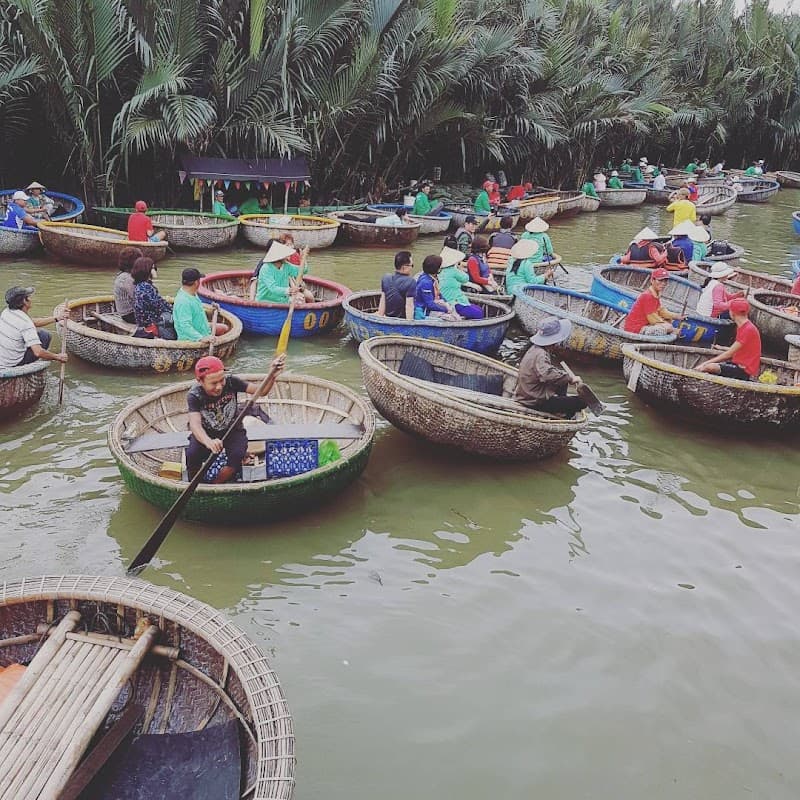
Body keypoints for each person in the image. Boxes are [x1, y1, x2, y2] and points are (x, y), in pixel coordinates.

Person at [186, 353, 285, 483]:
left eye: (221, 380)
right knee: (192, 455)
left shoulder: (232, 382)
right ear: (200, 381)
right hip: (207, 432)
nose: (219, 386)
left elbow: (262, 391)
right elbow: (195, 424)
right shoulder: (194, 395)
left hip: (232, 428)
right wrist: (208, 442)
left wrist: (272, 375)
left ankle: (215, 486)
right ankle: (195, 484)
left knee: (237, 455)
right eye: (213, 383)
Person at [512, 317, 587, 417]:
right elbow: (546, 374)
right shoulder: (540, 355)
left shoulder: (534, 348)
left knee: (562, 381)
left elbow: (549, 373)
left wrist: (565, 378)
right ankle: (563, 416)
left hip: (527, 394)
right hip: (534, 401)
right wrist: (570, 378)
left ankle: (560, 410)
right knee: (581, 402)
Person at [0, 286, 68, 369]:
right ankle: (23, 367)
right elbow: (38, 352)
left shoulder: (6, 312)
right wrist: (58, 357)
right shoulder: (25, 323)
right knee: (45, 336)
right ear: (24, 301)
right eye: (29, 297)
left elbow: (33, 322)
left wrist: (57, 318)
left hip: (3, 359)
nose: (31, 299)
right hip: (12, 364)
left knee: (41, 334)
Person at [696, 298, 761, 380]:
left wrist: (705, 363)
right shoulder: (743, 326)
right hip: (737, 364)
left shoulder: (748, 329)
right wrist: (721, 348)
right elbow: (739, 348)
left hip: (744, 370)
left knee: (709, 367)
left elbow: (729, 354)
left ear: (732, 313)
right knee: (712, 365)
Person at [173, 268, 230, 342]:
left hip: (202, 328)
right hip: (190, 338)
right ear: (196, 282)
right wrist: (201, 338)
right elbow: (185, 326)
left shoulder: (192, 293)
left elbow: (198, 310)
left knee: (224, 328)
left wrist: (213, 309)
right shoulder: (183, 301)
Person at [623, 268, 683, 335]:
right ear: (652, 280)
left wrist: (677, 316)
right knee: (668, 326)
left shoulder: (655, 295)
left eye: (665, 281)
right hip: (635, 329)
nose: (663, 283)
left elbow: (661, 311)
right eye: (660, 280)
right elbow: (652, 318)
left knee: (669, 321)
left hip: (644, 325)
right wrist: (672, 329)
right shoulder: (648, 296)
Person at [254, 240, 310, 304]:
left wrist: (303, 259)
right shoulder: (266, 268)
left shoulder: (286, 266)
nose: (288, 255)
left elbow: (302, 271)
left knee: (301, 300)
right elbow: (273, 288)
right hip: (265, 301)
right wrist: (289, 290)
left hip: (282, 301)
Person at [132, 256, 175, 338]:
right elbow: (160, 306)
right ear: (146, 270)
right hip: (152, 324)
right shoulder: (146, 288)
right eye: (153, 268)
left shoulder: (141, 285)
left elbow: (159, 303)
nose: (155, 270)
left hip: (148, 321)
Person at [437, 247, 484, 319]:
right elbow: (466, 278)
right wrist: (460, 269)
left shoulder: (440, 271)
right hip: (454, 302)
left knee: (477, 309)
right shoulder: (453, 270)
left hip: (448, 300)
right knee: (479, 312)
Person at [414, 254, 455, 319]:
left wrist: (447, 303)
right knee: (452, 318)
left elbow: (439, 294)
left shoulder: (432, 278)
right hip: (423, 311)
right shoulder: (426, 282)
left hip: (431, 307)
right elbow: (429, 304)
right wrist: (445, 309)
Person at [377, 251, 416, 319]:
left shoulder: (386, 277)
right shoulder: (411, 282)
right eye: (411, 265)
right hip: (401, 321)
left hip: (388, 318)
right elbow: (409, 307)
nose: (412, 268)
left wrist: (380, 317)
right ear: (404, 267)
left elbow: (383, 300)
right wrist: (410, 325)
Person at [113, 246, 143, 323]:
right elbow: (138, 298)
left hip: (128, 313)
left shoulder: (123, 275)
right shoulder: (127, 279)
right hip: (130, 315)